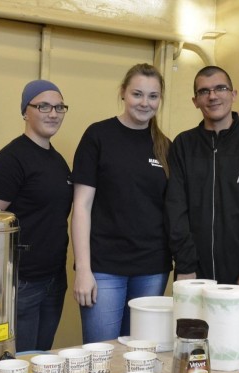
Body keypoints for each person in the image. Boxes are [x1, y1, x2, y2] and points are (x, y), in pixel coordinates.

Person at [164, 66, 239, 361]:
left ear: (233, 94)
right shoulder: (183, 145)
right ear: (195, 101)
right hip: (194, 275)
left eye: (220, 88)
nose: (212, 96)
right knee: (191, 358)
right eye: (204, 91)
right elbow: (176, 208)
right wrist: (185, 265)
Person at [71, 63, 173, 344]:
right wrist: (83, 269)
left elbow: (172, 211)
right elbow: (81, 207)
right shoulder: (98, 136)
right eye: (137, 94)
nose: (145, 102)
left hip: (152, 267)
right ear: (123, 93)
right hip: (104, 268)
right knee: (101, 356)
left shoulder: (165, 146)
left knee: (141, 356)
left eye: (153, 96)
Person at [0, 79, 73, 352]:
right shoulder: (10, 160)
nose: (53, 114)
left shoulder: (57, 161)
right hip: (21, 283)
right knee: (18, 365)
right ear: (25, 112)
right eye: (43, 106)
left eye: (59, 107)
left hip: (54, 279)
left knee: (40, 360)